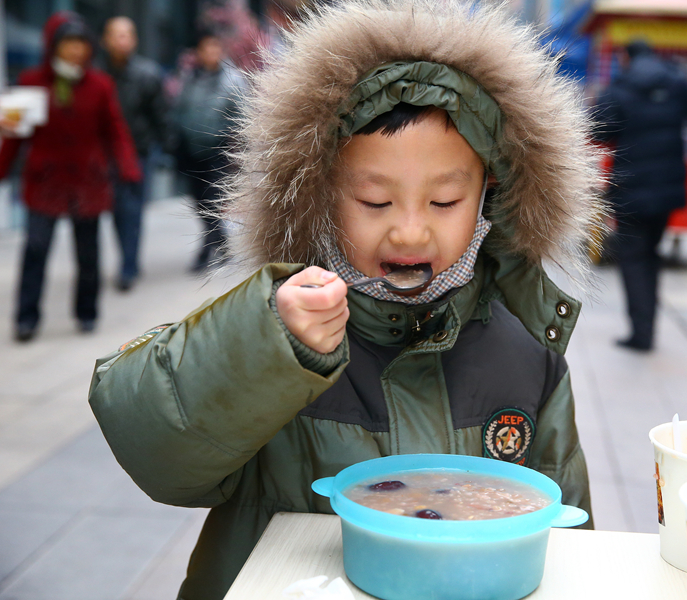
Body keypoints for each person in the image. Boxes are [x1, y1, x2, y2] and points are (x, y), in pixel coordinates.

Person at [88, 1, 601, 598]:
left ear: (489, 195)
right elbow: (154, 450)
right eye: (375, 202)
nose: (410, 232)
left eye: (443, 203)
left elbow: (571, 537)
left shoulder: (527, 353)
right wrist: (267, 346)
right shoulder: (280, 330)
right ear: (321, 197)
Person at [0, 12, 141, 342]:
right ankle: (26, 318)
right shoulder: (32, 82)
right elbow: (16, 137)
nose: (76, 51)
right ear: (52, 46)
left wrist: (127, 167)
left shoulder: (100, 84)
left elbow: (115, 130)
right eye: (68, 44)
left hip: (87, 182)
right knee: (35, 248)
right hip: (44, 181)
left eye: (81, 44)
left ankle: (87, 312)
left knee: (88, 252)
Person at [592, 40, 687, 351]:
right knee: (651, 255)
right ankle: (647, 327)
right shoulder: (678, 82)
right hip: (668, 187)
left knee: (634, 259)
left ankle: (642, 333)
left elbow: (600, 130)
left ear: (626, 57)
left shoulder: (620, 87)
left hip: (631, 188)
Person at [96, 16, 169, 292]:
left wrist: (166, 148)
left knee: (132, 209)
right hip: (107, 155)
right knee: (117, 210)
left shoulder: (148, 74)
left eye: (127, 34)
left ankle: (128, 265)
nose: (122, 40)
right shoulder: (99, 75)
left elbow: (161, 116)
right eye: (116, 34)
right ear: (105, 39)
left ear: (135, 40)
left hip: (139, 153)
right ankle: (128, 260)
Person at [171, 30, 244, 273]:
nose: (211, 53)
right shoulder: (189, 79)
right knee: (199, 201)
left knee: (211, 203)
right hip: (191, 152)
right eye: (206, 48)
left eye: (215, 47)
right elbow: (179, 110)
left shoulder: (233, 80)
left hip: (218, 151)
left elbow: (243, 117)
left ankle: (205, 252)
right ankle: (222, 243)